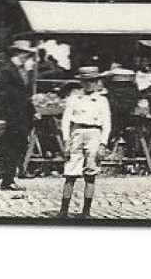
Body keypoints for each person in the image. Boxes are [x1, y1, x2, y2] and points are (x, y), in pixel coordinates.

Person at [57, 66, 111, 219]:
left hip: (95, 134)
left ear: (97, 82)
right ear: (81, 82)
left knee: (91, 173)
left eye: (92, 81)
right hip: (77, 134)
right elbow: (66, 120)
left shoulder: (102, 100)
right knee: (70, 173)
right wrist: (66, 140)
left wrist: (103, 144)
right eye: (86, 81)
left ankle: (86, 212)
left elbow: (107, 123)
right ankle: (63, 210)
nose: (89, 84)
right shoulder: (74, 99)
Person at [0, 40, 37, 189]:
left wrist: (32, 110)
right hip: (11, 116)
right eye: (26, 54)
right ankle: (8, 179)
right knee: (10, 147)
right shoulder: (7, 70)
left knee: (19, 146)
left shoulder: (22, 70)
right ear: (18, 53)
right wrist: (0, 118)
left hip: (21, 116)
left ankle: (11, 177)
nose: (28, 57)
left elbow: (26, 93)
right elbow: (2, 95)